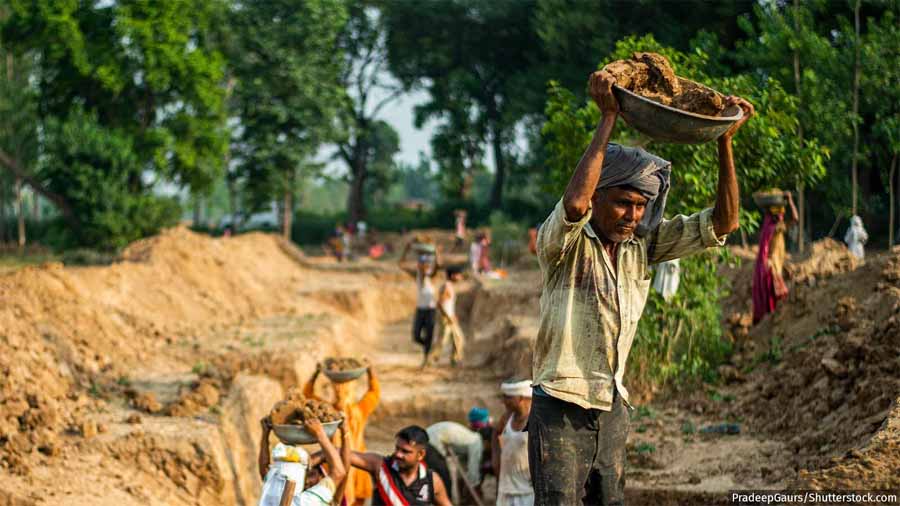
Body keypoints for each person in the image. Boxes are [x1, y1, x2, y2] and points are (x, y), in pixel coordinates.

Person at [530, 70, 752, 505]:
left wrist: (724, 140)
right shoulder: (564, 244)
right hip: (559, 405)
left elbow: (724, 223)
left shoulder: (641, 246)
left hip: (612, 404)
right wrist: (608, 117)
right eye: (622, 203)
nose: (632, 215)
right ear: (598, 197)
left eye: (640, 205)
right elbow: (574, 203)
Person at [303, 364, 380, 506]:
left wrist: (316, 374)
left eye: (344, 389)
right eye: (338, 388)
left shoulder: (340, 411)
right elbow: (374, 393)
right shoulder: (328, 411)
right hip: (345, 463)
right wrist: (370, 373)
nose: (340, 391)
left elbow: (307, 394)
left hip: (348, 465)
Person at [348, 425, 453, 506]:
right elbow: (347, 456)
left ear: (421, 454)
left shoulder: (432, 480)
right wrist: (343, 433)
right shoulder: (380, 466)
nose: (398, 454)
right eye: (397, 448)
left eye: (405, 451)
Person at [257, 416, 350, 506]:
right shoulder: (309, 499)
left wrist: (265, 434)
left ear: (322, 476)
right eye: (305, 476)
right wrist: (323, 434)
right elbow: (340, 472)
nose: (307, 481)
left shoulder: (309, 499)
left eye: (311, 474)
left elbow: (265, 471)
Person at [752, 191, 798, 324]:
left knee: (772, 298)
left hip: (770, 266)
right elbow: (795, 218)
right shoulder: (777, 227)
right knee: (778, 297)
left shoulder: (769, 227)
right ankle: (773, 322)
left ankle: (769, 321)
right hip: (772, 267)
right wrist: (790, 201)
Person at [399, 240, 442, 367]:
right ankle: (430, 348)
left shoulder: (431, 276)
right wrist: (406, 250)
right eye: (421, 264)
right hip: (420, 309)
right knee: (416, 336)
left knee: (429, 334)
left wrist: (436, 252)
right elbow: (401, 264)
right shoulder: (417, 275)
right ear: (419, 265)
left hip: (431, 310)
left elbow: (438, 265)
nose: (423, 266)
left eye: (425, 264)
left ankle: (426, 358)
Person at [425, 418, 493, 496]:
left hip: (429, 436)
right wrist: (475, 486)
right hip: (432, 441)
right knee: (444, 479)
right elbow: (473, 469)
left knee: (438, 476)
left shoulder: (470, 438)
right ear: (487, 441)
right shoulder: (477, 442)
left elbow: (462, 466)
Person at [493, 380, 533, 506]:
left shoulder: (534, 420)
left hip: (528, 492)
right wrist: (496, 460)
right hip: (506, 490)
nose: (504, 401)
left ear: (520, 398)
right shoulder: (506, 418)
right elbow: (496, 434)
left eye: (508, 398)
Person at [427, 266, 466, 367]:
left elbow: (447, 304)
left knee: (458, 338)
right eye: (458, 275)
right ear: (453, 276)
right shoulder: (446, 287)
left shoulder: (449, 286)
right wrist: (448, 316)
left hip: (449, 317)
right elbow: (440, 303)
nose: (460, 277)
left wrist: (452, 315)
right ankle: (431, 360)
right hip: (446, 318)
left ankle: (455, 360)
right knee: (443, 341)